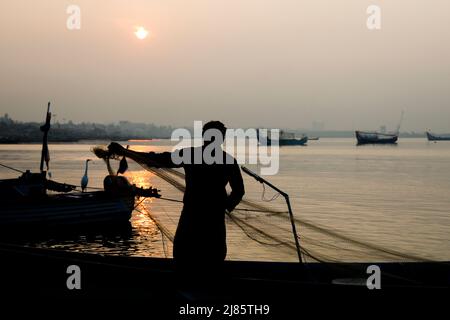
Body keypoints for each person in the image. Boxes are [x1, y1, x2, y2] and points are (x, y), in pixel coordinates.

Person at [108, 121, 245, 274]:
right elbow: (239, 191)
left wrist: (126, 152)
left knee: (186, 252)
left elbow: (159, 159)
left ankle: (187, 284)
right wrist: (226, 205)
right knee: (211, 254)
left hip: (194, 213)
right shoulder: (227, 160)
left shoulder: (193, 155)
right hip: (211, 215)